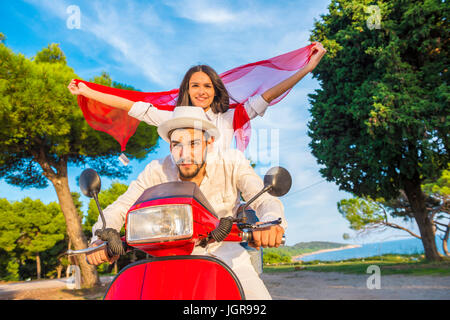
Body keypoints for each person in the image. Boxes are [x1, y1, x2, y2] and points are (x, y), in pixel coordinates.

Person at [86, 106, 287, 299]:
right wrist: (102, 236)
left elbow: (263, 198)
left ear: (210, 143)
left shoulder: (231, 162)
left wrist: (270, 222)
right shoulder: (156, 170)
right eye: (177, 145)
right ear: (170, 146)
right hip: (168, 259)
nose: (185, 154)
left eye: (194, 143)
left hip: (226, 254)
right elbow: (121, 206)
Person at [68, 42, 326, 151]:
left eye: (207, 86)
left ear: (215, 90)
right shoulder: (172, 118)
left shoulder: (229, 118)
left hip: (222, 194)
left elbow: (268, 95)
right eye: (195, 86)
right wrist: (88, 91)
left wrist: (307, 68)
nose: (201, 91)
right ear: (187, 91)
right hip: (182, 195)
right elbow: (130, 104)